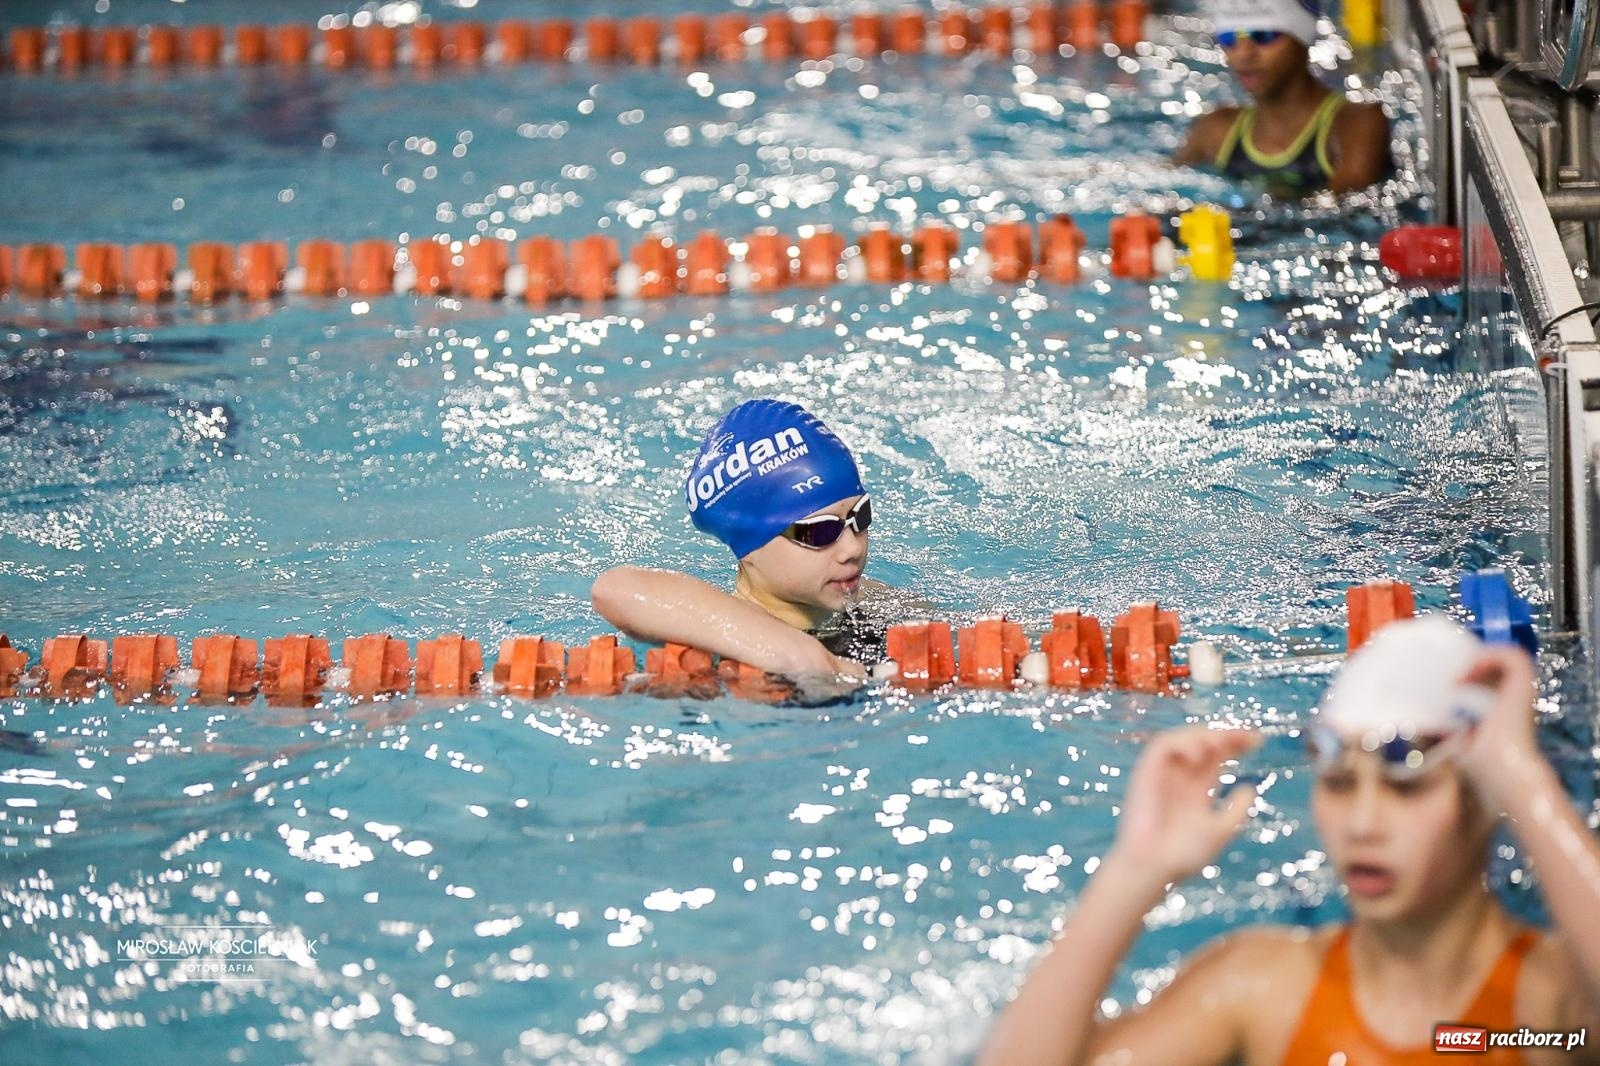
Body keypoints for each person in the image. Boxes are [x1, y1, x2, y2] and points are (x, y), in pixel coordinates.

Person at [981, 615, 1600, 1065]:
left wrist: (1522, 778)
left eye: (1406, 789)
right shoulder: (1264, 988)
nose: (1362, 823)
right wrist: (1133, 872)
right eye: (1336, 784)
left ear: (1483, 801)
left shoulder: (1544, 1013)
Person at [591, 398, 879, 679]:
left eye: (860, 516)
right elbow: (615, 589)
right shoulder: (703, 643)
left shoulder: (872, 601)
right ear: (749, 546)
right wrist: (794, 650)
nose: (851, 548)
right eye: (819, 531)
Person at [1175, 0, 1392, 195]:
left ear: (1301, 38)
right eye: (1229, 38)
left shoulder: (1356, 123)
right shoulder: (1214, 132)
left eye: (1264, 35)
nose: (1244, 53)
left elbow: (1341, 210)